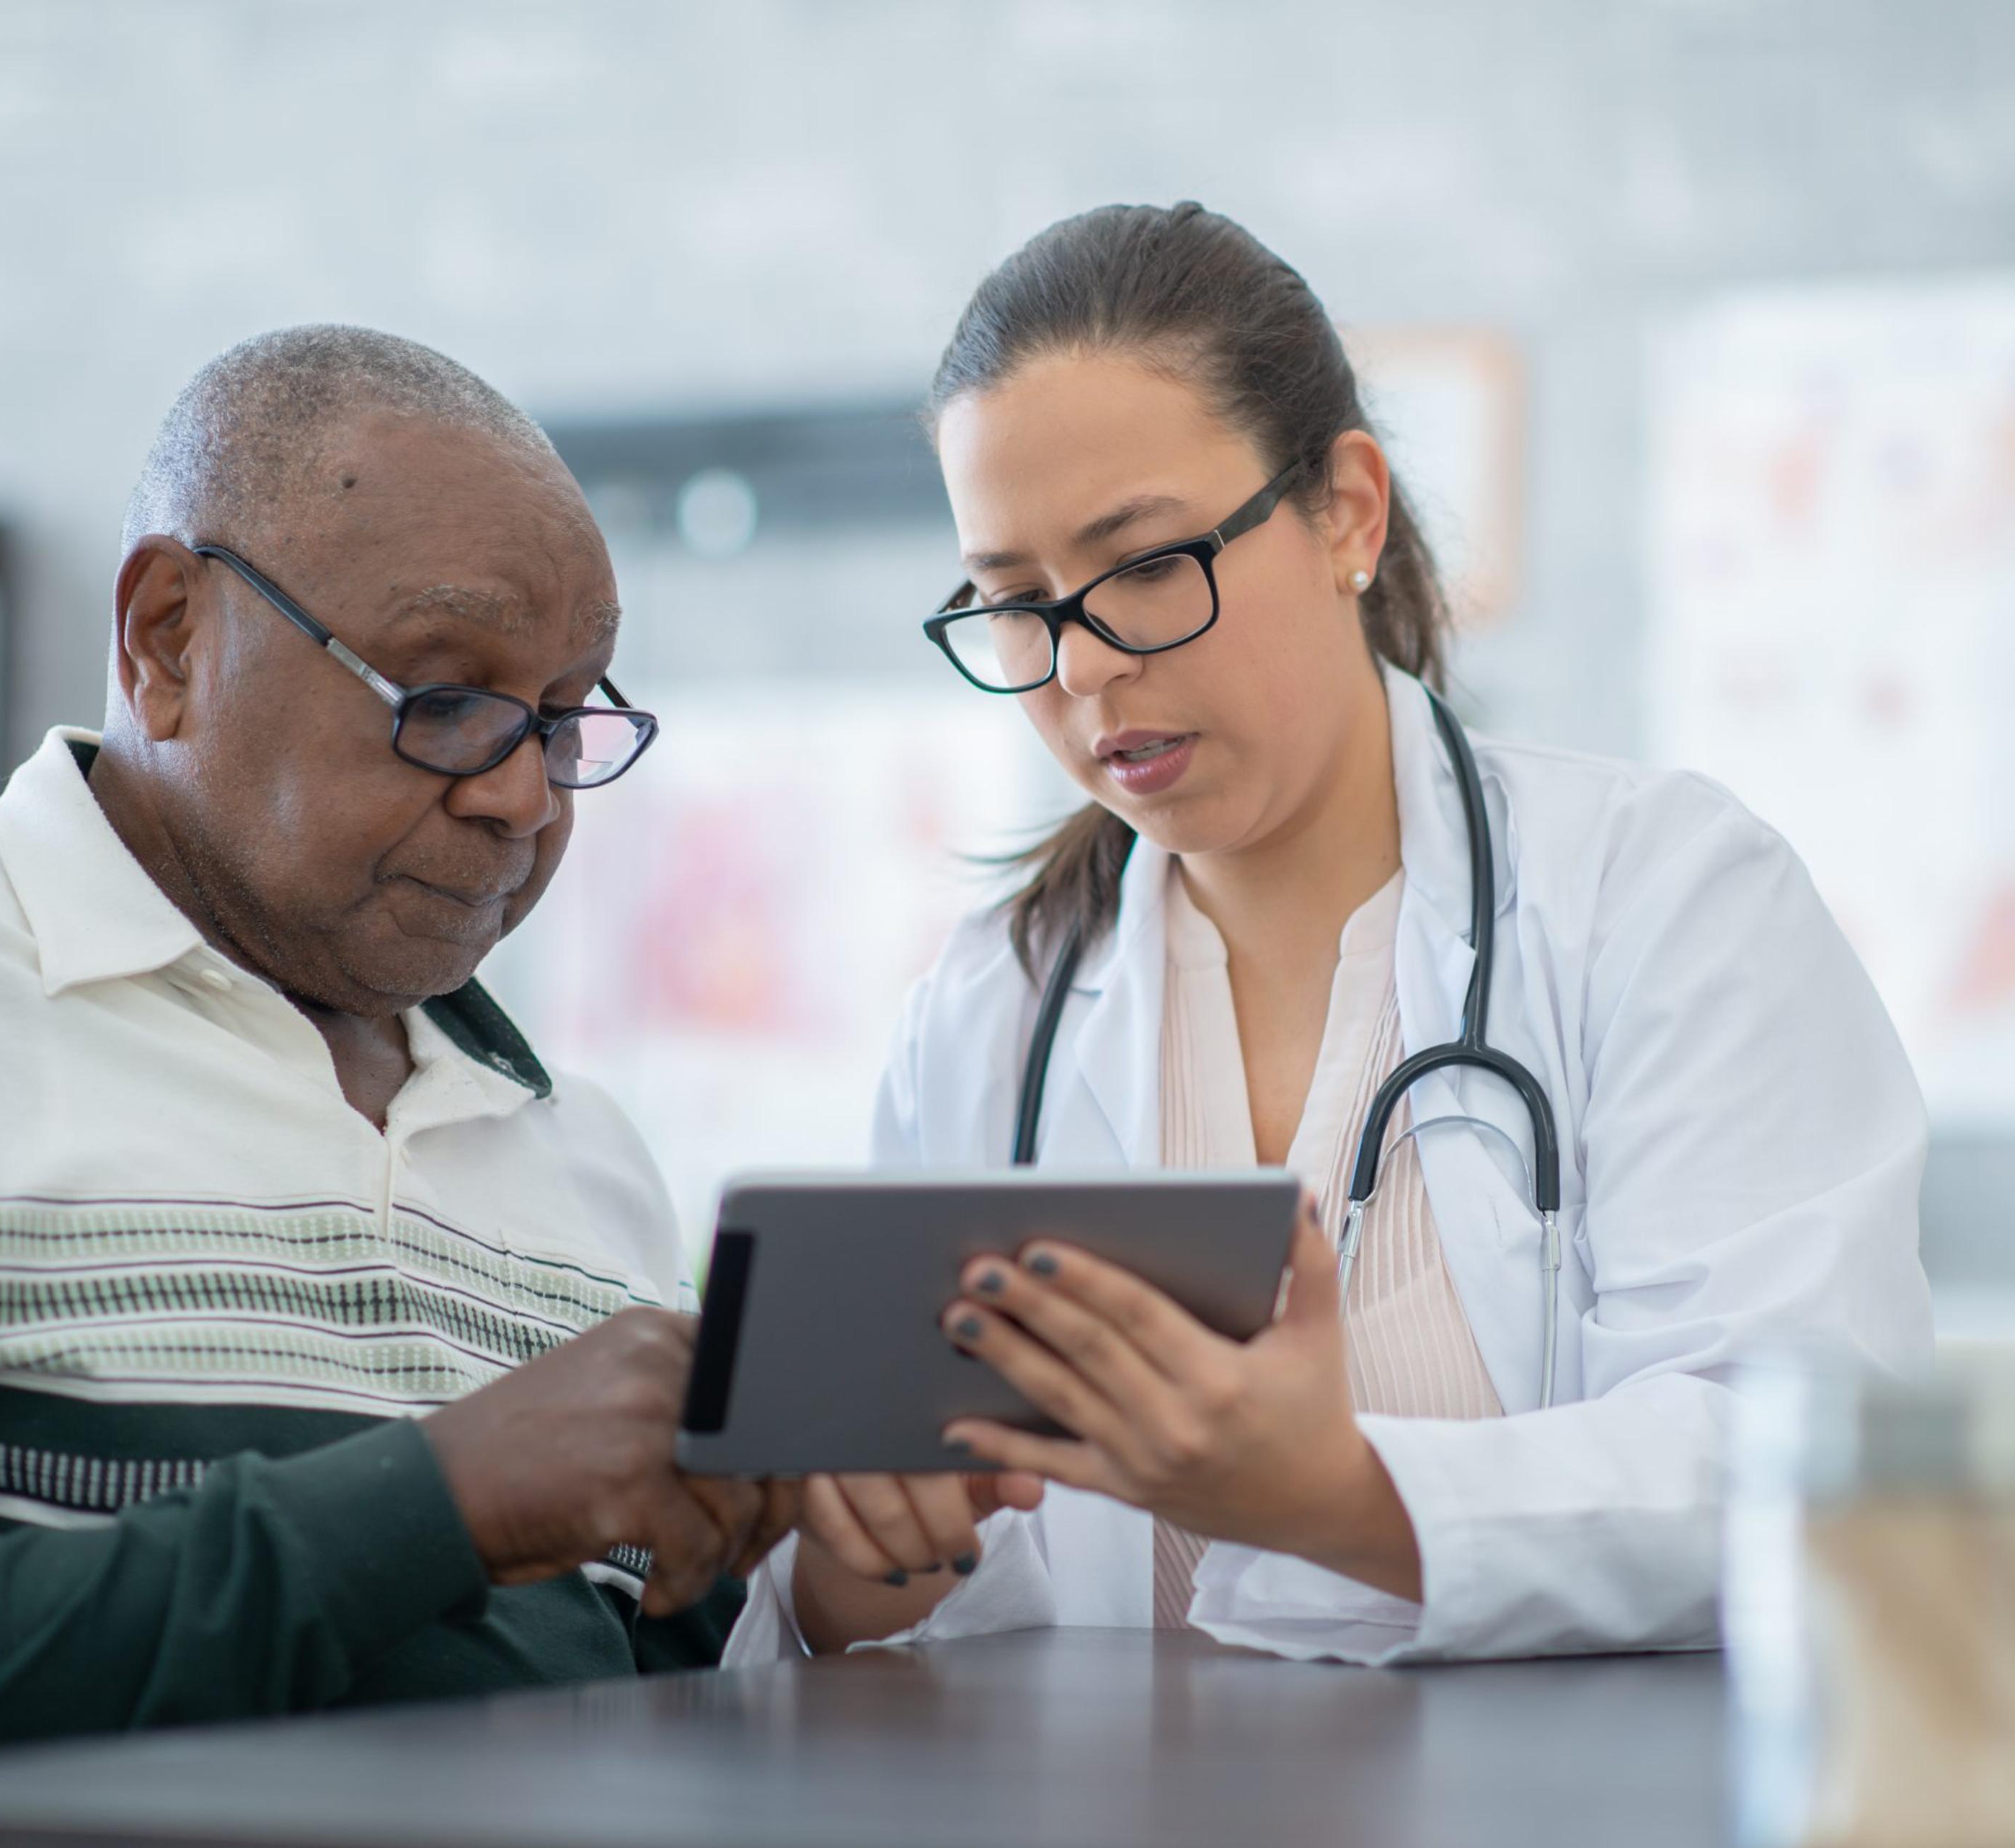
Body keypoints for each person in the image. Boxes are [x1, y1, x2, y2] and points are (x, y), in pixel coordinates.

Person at [0, 326, 794, 1841]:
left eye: (568, 716)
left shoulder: (586, 1152)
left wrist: (812, 1589)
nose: (522, 792)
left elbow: (618, 1711)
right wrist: (441, 1497)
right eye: (444, 696)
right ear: (169, 636)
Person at [731, 203, 1932, 1666]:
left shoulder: (1667, 902)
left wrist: (1338, 1498)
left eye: (1152, 563)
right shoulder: (992, 1013)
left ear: (1349, 512)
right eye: (1015, 604)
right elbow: (903, 1619)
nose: (1087, 664)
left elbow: (1804, 1465)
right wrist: (860, 1561)